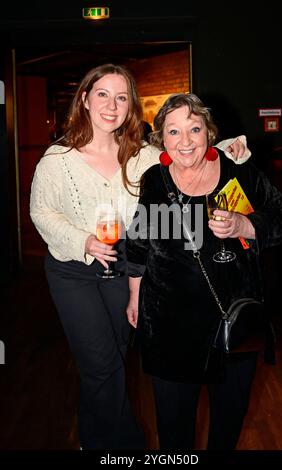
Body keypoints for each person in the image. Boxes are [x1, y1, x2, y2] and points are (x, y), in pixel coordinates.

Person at [30, 63, 250, 450]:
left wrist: (222, 149)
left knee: (110, 360)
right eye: (103, 94)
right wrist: (82, 240)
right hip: (73, 272)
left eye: (121, 97)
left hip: (122, 268)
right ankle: (122, 447)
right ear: (84, 99)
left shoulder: (143, 156)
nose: (112, 105)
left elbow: (184, 152)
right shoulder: (57, 159)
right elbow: (41, 212)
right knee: (103, 365)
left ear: (130, 105)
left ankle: (91, 436)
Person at [126, 92, 282, 450]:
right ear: (162, 140)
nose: (185, 141)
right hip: (170, 326)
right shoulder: (156, 181)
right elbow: (140, 242)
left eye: (194, 129)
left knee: (227, 426)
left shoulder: (241, 172)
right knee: (174, 434)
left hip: (232, 324)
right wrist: (134, 296)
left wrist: (245, 226)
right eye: (173, 132)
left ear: (209, 132)